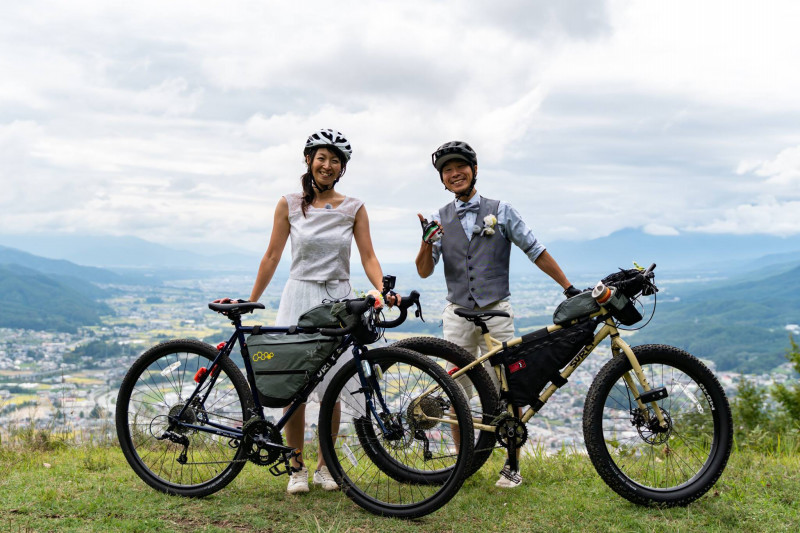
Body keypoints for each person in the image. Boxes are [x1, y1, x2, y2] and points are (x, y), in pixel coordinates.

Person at [222, 129, 397, 494]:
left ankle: (327, 466)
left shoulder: (354, 207)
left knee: (334, 383)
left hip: (338, 300)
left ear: (342, 168)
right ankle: (296, 465)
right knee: (295, 387)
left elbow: (368, 256)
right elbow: (271, 256)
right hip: (298, 295)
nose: (327, 165)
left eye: (335, 160)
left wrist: (382, 291)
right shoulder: (288, 203)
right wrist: (252, 298)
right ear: (308, 160)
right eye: (322, 157)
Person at [415, 140, 580, 489]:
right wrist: (426, 242)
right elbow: (425, 271)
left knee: (510, 387)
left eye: (460, 166)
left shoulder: (502, 211)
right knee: (455, 388)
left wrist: (567, 287)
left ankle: (512, 464)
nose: (454, 173)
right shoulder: (438, 219)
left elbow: (535, 249)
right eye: (447, 170)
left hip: (496, 312)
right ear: (442, 180)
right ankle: (463, 465)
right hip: (457, 314)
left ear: (474, 170)